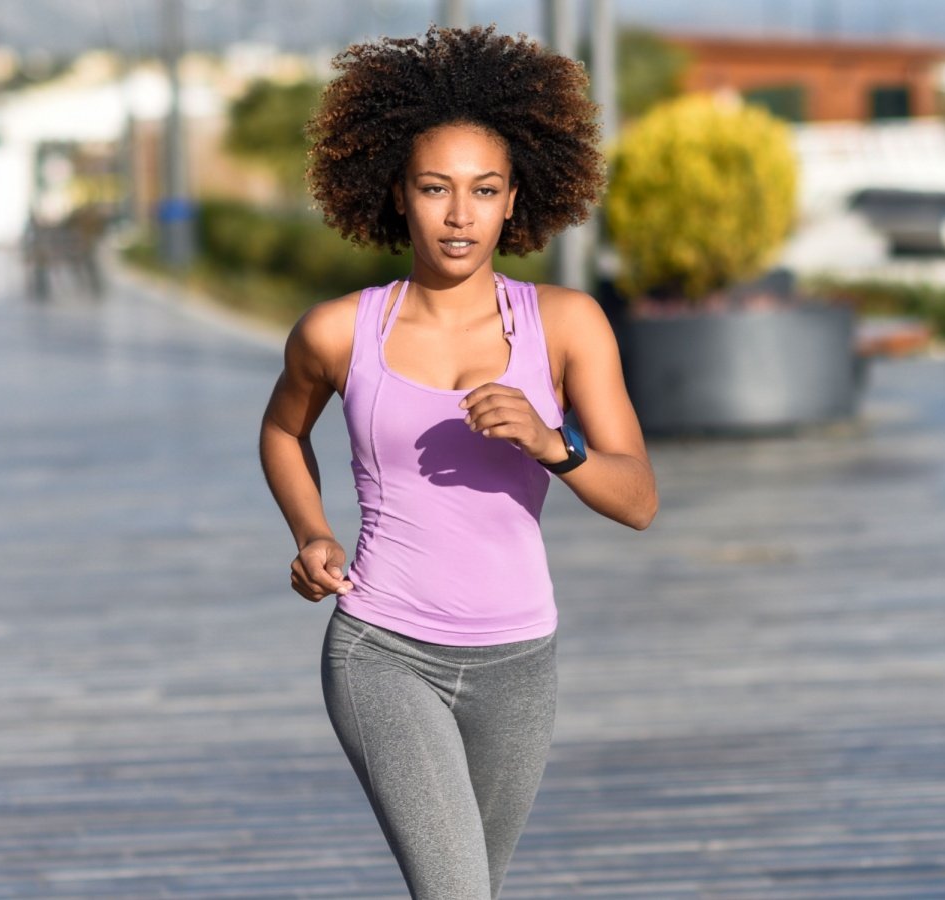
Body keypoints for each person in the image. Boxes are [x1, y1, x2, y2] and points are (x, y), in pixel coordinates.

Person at [257, 26, 658, 898]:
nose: (459, 214)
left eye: (483, 190)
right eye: (435, 188)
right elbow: (283, 432)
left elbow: (638, 500)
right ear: (397, 194)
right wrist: (313, 531)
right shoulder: (336, 331)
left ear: (516, 200)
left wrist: (556, 446)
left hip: (521, 661)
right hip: (383, 649)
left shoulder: (566, 325)